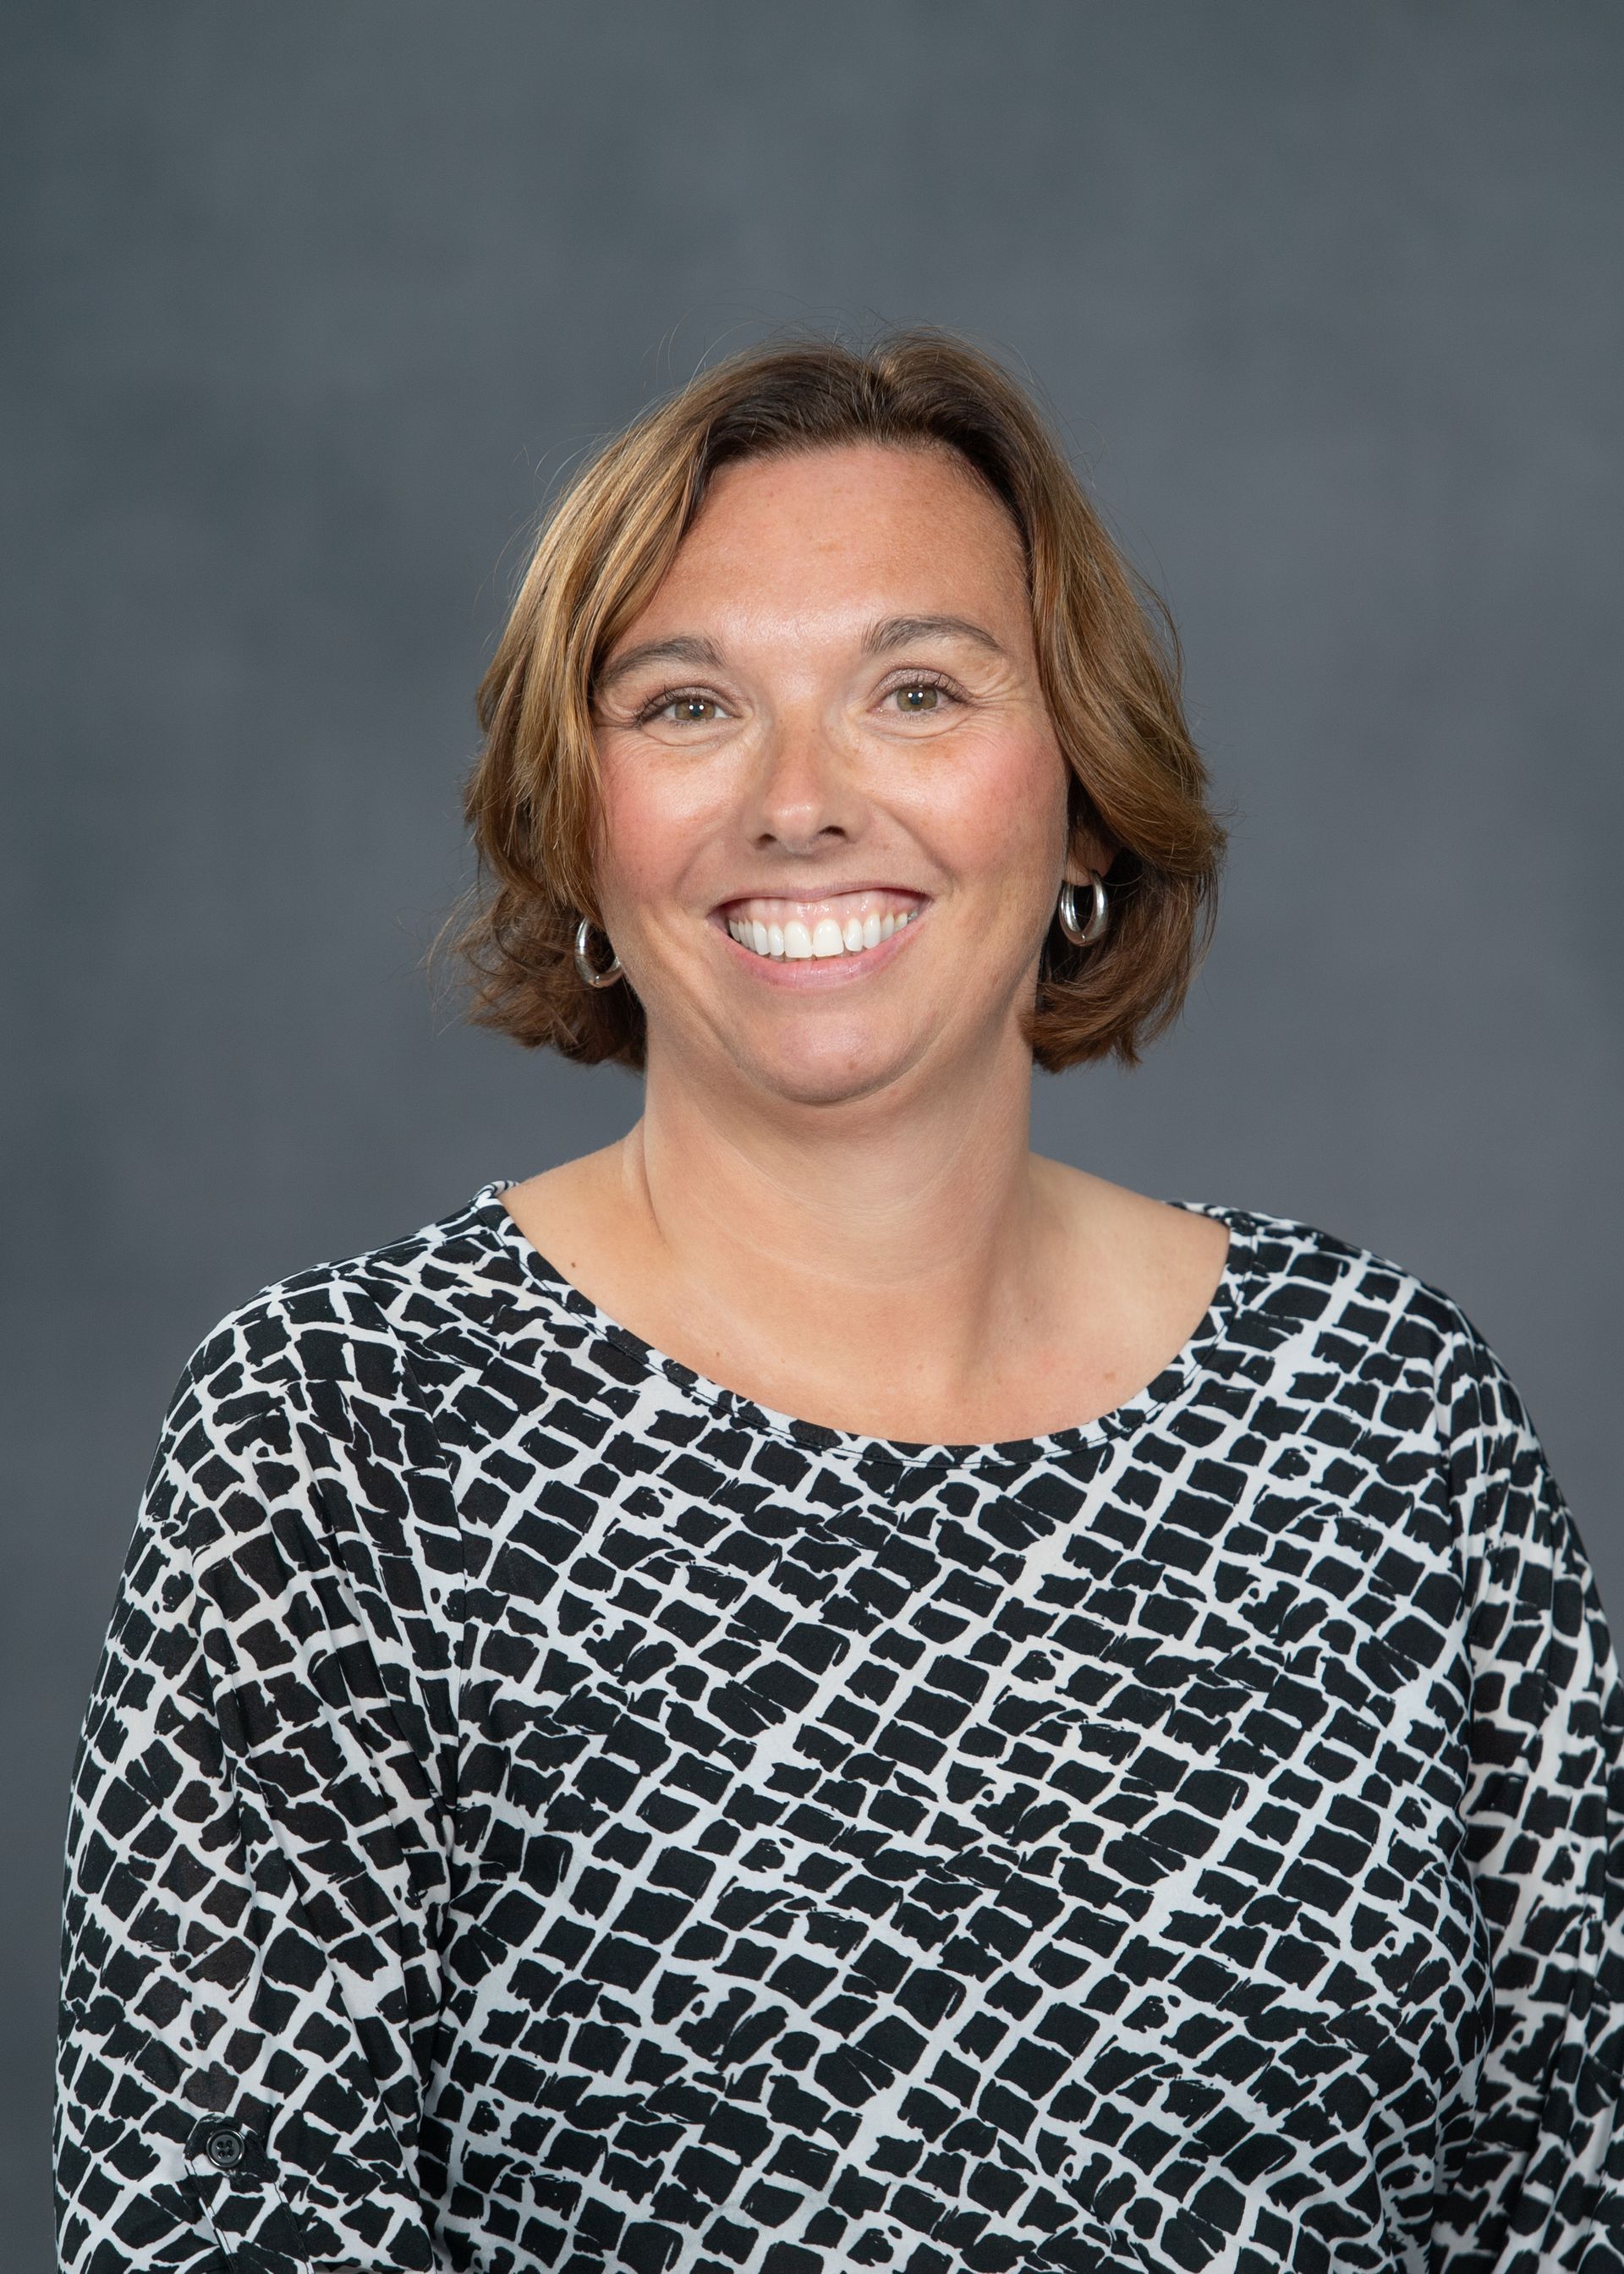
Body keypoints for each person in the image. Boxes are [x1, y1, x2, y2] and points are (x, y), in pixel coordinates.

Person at [53, 331, 1623, 2274]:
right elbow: (217, 2231)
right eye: (691, 703)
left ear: (1084, 801)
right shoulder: (346, 1436)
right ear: (577, 829)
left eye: (917, 689)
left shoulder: (1390, 1420)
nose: (801, 800)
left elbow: (1575, 2192)